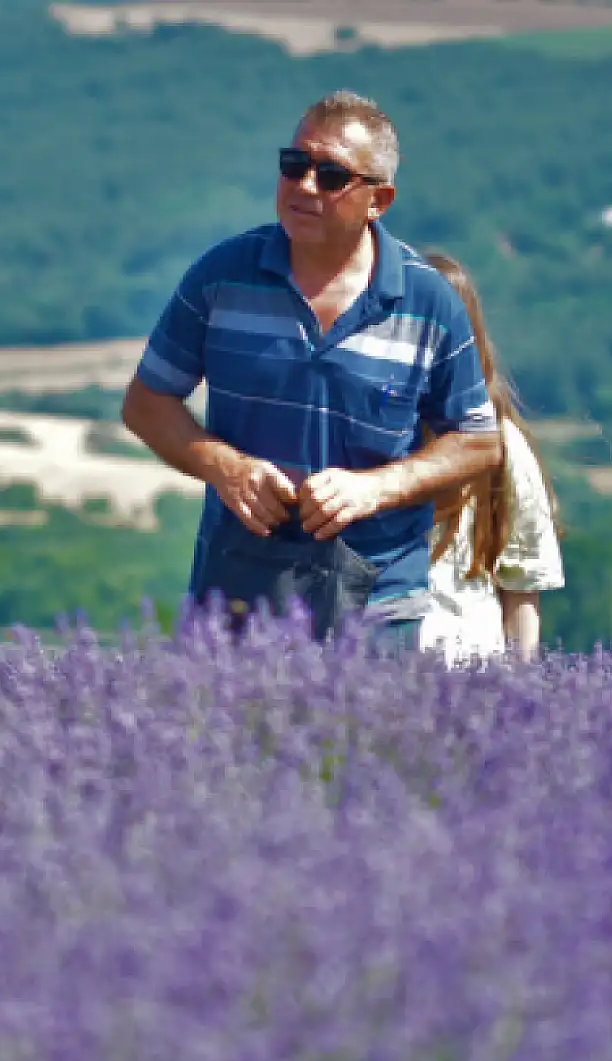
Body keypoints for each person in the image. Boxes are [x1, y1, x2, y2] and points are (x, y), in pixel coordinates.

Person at [120, 91, 502, 653]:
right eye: (294, 166)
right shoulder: (222, 276)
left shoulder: (428, 301)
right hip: (239, 585)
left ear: (379, 200)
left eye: (330, 176)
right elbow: (146, 404)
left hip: (378, 599)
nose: (304, 185)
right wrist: (227, 468)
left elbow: (477, 443)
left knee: (369, 744)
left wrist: (375, 488)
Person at [417, 250, 564, 665]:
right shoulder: (369, 430)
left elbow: (522, 582)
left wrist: (520, 687)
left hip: (472, 671)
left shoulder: (502, 444)